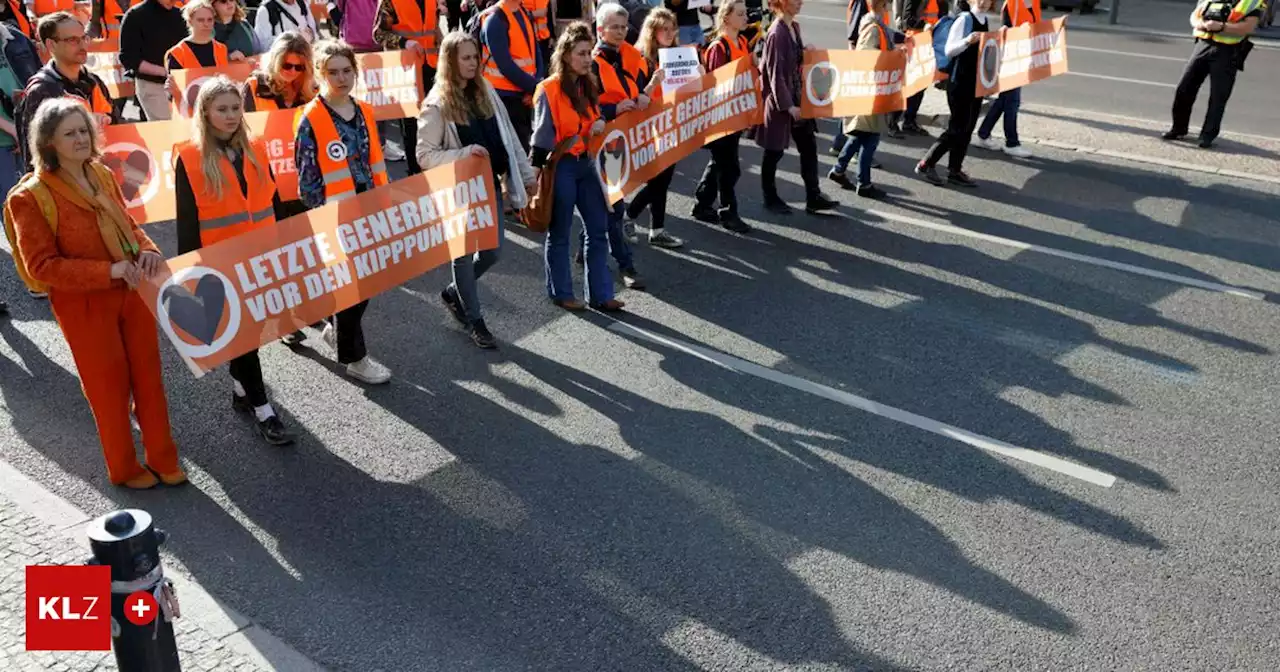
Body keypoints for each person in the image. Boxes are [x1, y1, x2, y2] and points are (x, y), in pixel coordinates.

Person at [8, 98, 185, 488]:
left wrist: (150, 252)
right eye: (69, 133)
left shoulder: (101, 173)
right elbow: (42, 267)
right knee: (109, 389)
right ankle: (124, 469)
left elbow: (129, 225)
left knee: (149, 379)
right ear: (48, 142)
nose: (80, 138)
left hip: (132, 289)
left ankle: (163, 457)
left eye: (84, 130)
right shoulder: (30, 196)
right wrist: (110, 270)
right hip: (83, 304)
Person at [172, 77, 295, 445]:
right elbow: (188, 219)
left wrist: (285, 247)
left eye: (235, 108)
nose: (229, 115)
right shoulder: (190, 156)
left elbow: (273, 201)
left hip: (259, 258)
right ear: (205, 113)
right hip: (219, 262)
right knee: (243, 338)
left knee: (252, 333)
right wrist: (190, 273)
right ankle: (263, 410)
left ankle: (241, 390)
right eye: (221, 109)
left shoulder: (256, 146)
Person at [416, 31, 535, 349]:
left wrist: (525, 175)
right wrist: (464, 153)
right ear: (450, 62)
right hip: (456, 191)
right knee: (463, 255)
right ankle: (475, 320)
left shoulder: (487, 90)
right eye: (465, 58)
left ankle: (455, 292)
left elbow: (508, 137)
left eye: (475, 56)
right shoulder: (436, 104)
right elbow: (424, 156)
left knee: (493, 251)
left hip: (487, 187)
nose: (473, 63)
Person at [294, 39, 393, 383]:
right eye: (332, 72)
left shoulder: (364, 109)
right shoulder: (310, 119)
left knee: (367, 281)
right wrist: (325, 216)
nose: (341, 78)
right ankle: (355, 358)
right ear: (320, 75)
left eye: (347, 70)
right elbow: (307, 182)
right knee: (353, 286)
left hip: (369, 205)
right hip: (335, 213)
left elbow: (373, 158)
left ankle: (338, 330)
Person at [16, 13, 114, 297]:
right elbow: (36, 153)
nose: (82, 44)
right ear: (50, 45)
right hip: (66, 192)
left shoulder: (94, 81)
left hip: (99, 183)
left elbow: (117, 126)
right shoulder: (42, 91)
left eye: (83, 37)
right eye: (71, 39)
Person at [533, 22, 621, 312]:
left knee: (598, 229)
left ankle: (600, 294)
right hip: (562, 166)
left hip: (586, 164)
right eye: (581, 53)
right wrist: (532, 179)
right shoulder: (549, 89)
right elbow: (542, 139)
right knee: (560, 232)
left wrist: (599, 122)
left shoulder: (588, 84)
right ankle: (561, 292)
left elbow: (596, 117)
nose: (587, 59)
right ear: (566, 54)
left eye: (589, 53)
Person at [586, 3, 654, 289]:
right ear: (600, 29)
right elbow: (588, 104)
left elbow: (639, 87)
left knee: (605, 202)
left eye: (624, 27)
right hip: (602, 142)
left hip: (624, 139)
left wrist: (644, 95)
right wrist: (614, 109)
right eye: (614, 27)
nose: (620, 32)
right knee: (615, 205)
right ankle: (626, 266)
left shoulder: (631, 55)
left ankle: (585, 246)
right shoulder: (590, 62)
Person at [754, 0, 837, 215]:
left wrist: (805, 51)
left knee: (808, 147)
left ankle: (813, 196)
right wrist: (788, 106)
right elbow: (774, 74)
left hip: (798, 98)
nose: (800, 3)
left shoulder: (794, 27)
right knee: (774, 151)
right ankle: (769, 197)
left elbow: (794, 60)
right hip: (782, 103)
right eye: (795, 0)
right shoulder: (776, 33)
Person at [1163, 0, 1264, 149]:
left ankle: (1207, 135)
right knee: (1184, 88)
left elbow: (1248, 27)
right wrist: (1200, 24)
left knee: (1218, 96)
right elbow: (1195, 15)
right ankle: (1178, 128)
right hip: (1203, 45)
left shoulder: (1251, 2)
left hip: (1228, 51)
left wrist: (1222, 27)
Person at [624, 6, 686, 247]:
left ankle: (656, 229)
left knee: (663, 179)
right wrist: (653, 82)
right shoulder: (641, 60)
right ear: (652, 32)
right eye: (664, 30)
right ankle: (631, 217)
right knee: (657, 179)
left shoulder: (678, 56)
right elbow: (637, 96)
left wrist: (700, 76)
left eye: (672, 29)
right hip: (650, 127)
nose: (670, 34)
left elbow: (689, 90)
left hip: (672, 125)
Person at [914, 0, 989, 188]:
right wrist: (967, 40)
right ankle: (927, 163)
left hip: (975, 81)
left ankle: (954, 170)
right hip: (959, 81)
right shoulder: (964, 20)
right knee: (957, 127)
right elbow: (949, 50)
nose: (985, 2)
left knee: (967, 128)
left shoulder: (985, 19)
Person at [691, 0, 750, 233]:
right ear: (726, 18)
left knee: (720, 162)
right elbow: (716, 84)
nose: (746, 18)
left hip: (736, 113)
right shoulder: (719, 47)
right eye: (740, 14)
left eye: (745, 13)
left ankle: (702, 204)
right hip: (721, 116)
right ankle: (728, 212)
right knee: (730, 167)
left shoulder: (743, 42)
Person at [827, 0, 889, 198]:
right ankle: (863, 183)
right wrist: (891, 57)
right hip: (870, 89)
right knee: (871, 136)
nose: (887, 8)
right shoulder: (872, 28)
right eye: (885, 4)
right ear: (878, 6)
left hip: (871, 87)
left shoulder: (876, 25)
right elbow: (866, 56)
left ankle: (839, 170)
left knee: (860, 134)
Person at [373, 0, 440, 175]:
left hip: (432, 67)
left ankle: (433, 170)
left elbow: (434, 29)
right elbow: (379, 33)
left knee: (434, 120)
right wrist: (404, 42)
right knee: (411, 126)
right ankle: (416, 174)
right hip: (405, 70)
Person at [974, 0, 1035, 158]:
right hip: (1011, 57)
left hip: (1022, 55)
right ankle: (1011, 143)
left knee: (1004, 100)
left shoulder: (1032, 3)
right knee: (1012, 102)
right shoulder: (1013, 4)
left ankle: (983, 133)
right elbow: (1006, 30)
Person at [481, 0, 543, 151]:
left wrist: (536, 85)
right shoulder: (495, 19)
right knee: (513, 153)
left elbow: (536, 52)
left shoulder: (523, 12)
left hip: (524, 95)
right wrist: (535, 87)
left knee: (524, 149)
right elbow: (505, 65)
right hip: (504, 97)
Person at [118, 0, 187, 121]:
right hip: (153, 85)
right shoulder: (135, 16)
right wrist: (165, 72)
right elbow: (128, 58)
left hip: (181, 84)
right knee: (168, 131)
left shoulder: (181, 15)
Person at [891, 0, 945, 135]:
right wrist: (924, 25)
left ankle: (910, 121)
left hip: (928, 43)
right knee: (908, 84)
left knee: (921, 84)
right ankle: (893, 122)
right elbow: (906, 20)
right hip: (915, 42)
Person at [243, 30, 315, 114]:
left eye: (299, 67)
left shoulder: (313, 90)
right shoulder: (255, 86)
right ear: (275, 62)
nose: (293, 71)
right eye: (287, 66)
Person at [166, 0, 237, 71]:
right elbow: (175, 81)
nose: (206, 24)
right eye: (200, 20)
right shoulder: (177, 53)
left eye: (210, 20)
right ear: (190, 22)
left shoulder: (221, 49)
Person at [254, 0, 319, 46]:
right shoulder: (266, 10)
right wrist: (294, 41)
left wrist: (311, 36)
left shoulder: (302, 4)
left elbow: (313, 33)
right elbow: (262, 45)